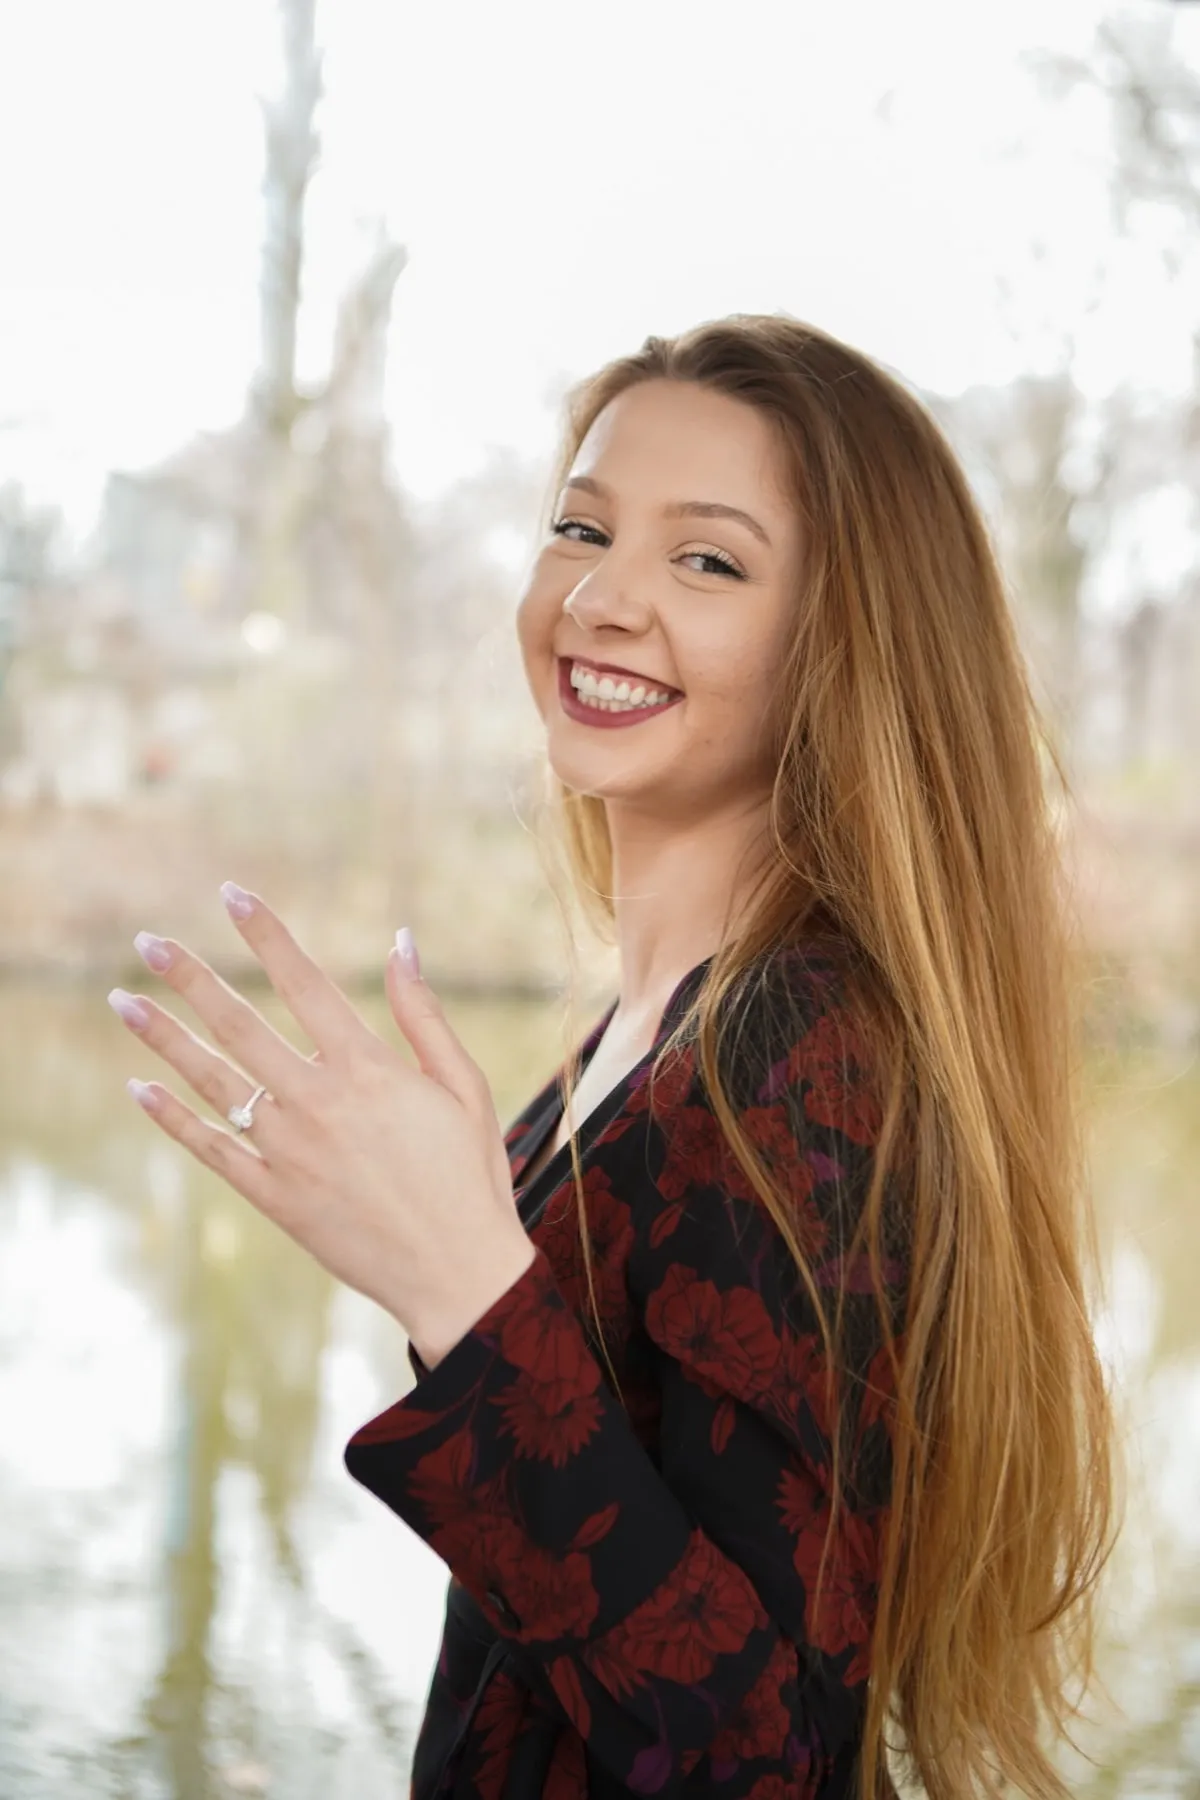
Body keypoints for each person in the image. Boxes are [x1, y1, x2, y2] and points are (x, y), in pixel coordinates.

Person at [340, 315, 1120, 1799]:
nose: (602, 597)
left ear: (842, 640)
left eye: (707, 561)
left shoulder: (799, 1058)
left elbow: (761, 1755)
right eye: (583, 528)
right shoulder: (643, 1032)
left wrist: (461, 1293)